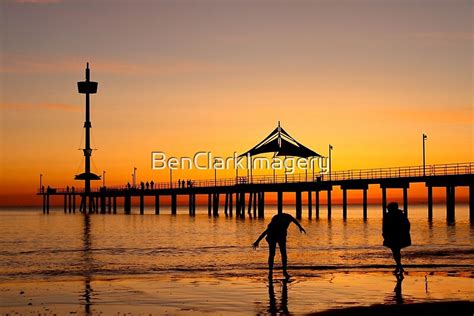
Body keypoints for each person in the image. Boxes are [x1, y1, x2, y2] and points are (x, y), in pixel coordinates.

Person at [252, 213, 306, 279]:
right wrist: (257, 241)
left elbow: (294, 220)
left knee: (283, 254)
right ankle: (271, 272)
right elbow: (266, 232)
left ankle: (284, 272)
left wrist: (300, 227)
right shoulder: (273, 225)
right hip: (272, 236)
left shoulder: (288, 218)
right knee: (272, 254)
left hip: (281, 236)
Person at [383, 202, 411, 275]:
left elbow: (407, 225)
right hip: (394, 235)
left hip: (395, 236)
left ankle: (399, 266)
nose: (387, 209)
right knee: (396, 251)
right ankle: (399, 266)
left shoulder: (395, 215)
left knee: (395, 251)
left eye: (388, 208)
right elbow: (407, 225)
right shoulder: (400, 215)